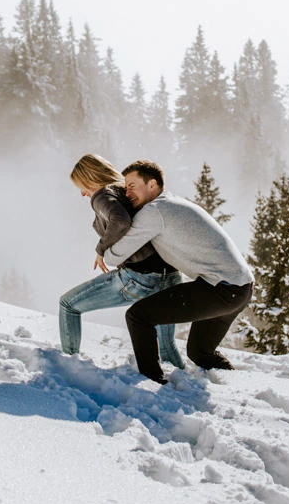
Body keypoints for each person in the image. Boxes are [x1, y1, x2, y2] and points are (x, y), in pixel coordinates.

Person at [100, 160, 254, 384]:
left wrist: (102, 250)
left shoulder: (154, 211)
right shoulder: (172, 203)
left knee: (138, 316)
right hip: (241, 289)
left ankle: (152, 380)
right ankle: (233, 385)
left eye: (132, 186)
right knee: (200, 353)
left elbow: (114, 257)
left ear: (152, 184)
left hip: (221, 289)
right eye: (125, 188)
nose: (127, 193)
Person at [58, 154, 184, 369]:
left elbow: (120, 220)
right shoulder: (127, 193)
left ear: (90, 179)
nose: (82, 193)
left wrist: (101, 249)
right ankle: (181, 384)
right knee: (166, 347)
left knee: (68, 305)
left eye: (82, 186)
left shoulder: (102, 196)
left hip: (140, 278)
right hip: (170, 275)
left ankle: (70, 367)